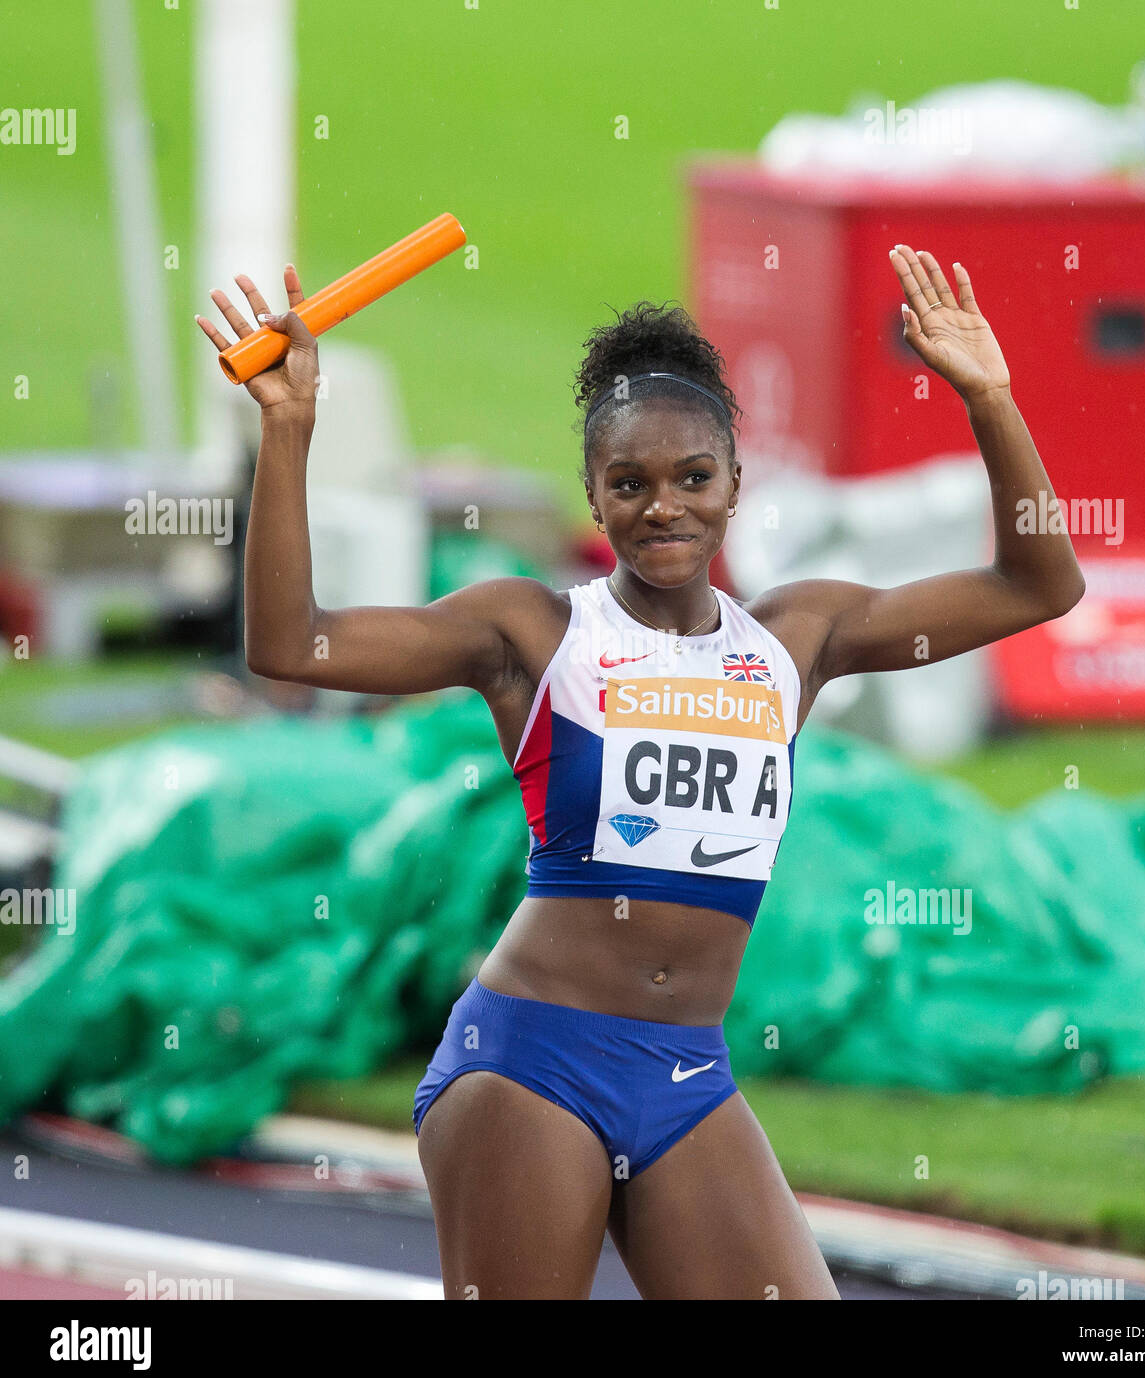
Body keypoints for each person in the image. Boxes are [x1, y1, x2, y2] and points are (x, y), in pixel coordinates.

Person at [195, 245, 1084, 1300]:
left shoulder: (798, 637)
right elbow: (294, 644)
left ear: (735, 486)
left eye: (691, 478)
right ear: (594, 495)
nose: (663, 507)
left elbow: (1038, 582)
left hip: (684, 1077)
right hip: (531, 1064)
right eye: (629, 483)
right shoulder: (529, 629)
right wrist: (288, 430)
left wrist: (988, 396)